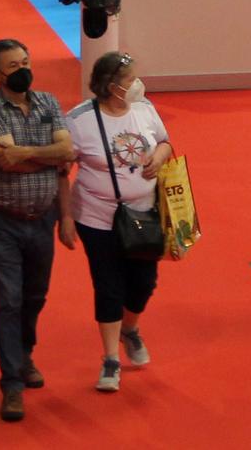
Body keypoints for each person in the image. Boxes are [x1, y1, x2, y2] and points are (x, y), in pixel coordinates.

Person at [59, 51, 173, 394]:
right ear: (111, 87)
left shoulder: (144, 110)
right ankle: (110, 358)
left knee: (143, 283)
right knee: (108, 284)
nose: (136, 85)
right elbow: (62, 172)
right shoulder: (79, 121)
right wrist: (65, 217)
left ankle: (130, 328)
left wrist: (158, 155)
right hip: (97, 218)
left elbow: (166, 143)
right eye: (129, 80)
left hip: (144, 213)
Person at [0, 38, 73, 423]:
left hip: (44, 218)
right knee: (8, 302)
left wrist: (65, 217)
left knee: (35, 297)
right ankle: (12, 383)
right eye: (14, 66)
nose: (23, 70)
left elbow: (66, 156)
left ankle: (25, 352)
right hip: (2, 221)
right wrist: (44, 156)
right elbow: (6, 162)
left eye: (25, 62)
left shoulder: (48, 102)